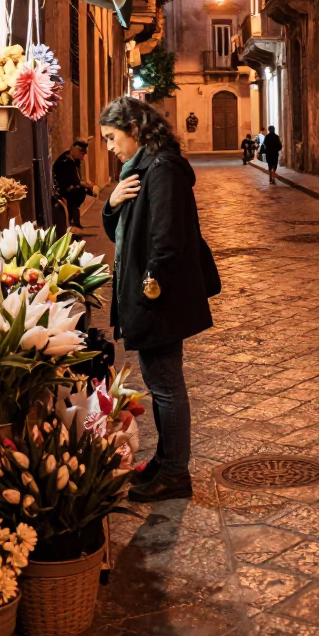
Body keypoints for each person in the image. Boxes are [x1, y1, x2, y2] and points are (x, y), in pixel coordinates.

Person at [100, 96, 220, 503]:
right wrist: (111, 202)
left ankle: (174, 474)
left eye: (112, 137)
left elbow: (165, 241)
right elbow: (124, 225)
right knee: (158, 380)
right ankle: (164, 461)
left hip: (159, 296)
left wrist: (150, 289)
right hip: (150, 292)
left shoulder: (162, 169)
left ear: (134, 130)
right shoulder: (140, 169)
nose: (110, 147)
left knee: (167, 385)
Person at [52, 138, 97, 230]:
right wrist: (85, 184)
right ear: (74, 150)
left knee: (82, 191)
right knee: (76, 192)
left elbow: (76, 179)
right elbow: (69, 181)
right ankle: (73, 223)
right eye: (82, 152)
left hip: (69, 186)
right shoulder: (65, 161)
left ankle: (76, 222)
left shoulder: (74, 160)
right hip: (61, 188)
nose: (83, 155)